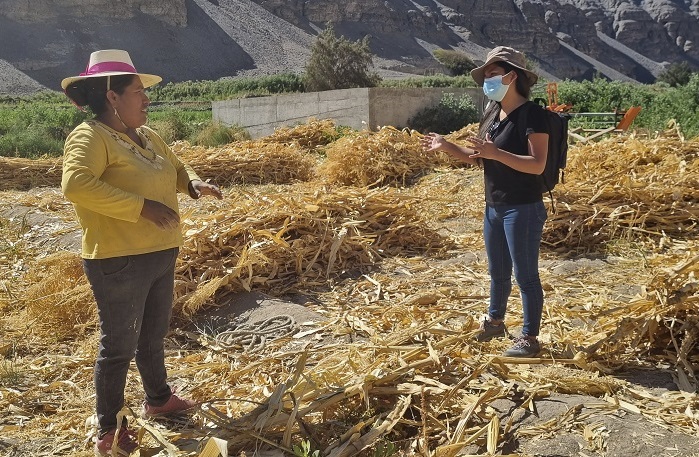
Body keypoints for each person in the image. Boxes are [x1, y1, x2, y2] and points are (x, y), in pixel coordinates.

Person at [60, 49, 223, 455]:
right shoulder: (90, 136)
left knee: (152, 335)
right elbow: (76, 184)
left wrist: (193, 184)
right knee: (118, 345)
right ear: (113, 97)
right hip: (118, 259)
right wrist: (141, 207)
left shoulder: (148, 137)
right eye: (139, 91)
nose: (147, 99)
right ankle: (108, 431)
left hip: (161, 251)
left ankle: (158, 399)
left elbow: (177, 166)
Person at [421, 46, 549, 358]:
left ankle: (530, 338)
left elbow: (537, 164)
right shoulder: (493, 115)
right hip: (495, 206)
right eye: (487, 76)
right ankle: (495, 322)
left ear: (512, 75)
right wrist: (446, 145)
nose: (488, 81)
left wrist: (497, 153)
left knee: (526, 276)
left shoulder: (533, 115)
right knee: (498, 272)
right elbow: (478, 159)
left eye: (493, 74)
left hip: (523, 207)